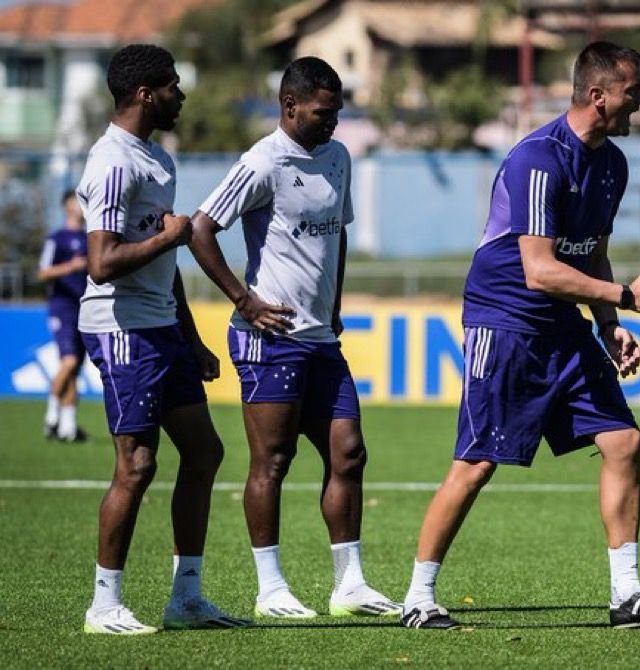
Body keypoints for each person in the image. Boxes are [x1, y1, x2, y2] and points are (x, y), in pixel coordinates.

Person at [399, 41, 640, 630]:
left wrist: (610, 326)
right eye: (635, 91)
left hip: (564, 326)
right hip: (505, 322)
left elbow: (593, 252)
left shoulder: (612, 162)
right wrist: (627, 299)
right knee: (478, 462)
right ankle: (417, 597)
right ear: (599, 95)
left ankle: (626, 596)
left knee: (623, 443)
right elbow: (540, 270)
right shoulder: (539, 158)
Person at [188, 56, 399, 620]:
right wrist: (244, 300)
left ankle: (349, 585)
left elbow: (339, 235)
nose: (332, 122)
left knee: (349, 453)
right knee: (272, 462)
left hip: (321, 339)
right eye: (322, 113)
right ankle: (270, 588)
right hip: (270, 337)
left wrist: (333, 306)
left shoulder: (338, 156)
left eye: (337, 112)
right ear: (290, 106)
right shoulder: (263, 162)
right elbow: (200, 228)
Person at [76, 44, 247, 634]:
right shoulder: (113, 163)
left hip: (160, 327)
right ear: (146, 94)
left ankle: (187, 598)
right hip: (121, 328)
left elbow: (164, 264)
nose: (181, 93)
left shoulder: (155, 159)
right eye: (173, 85)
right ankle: (104, 604)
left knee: (204, 452)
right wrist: (169, 238)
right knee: (137, 464)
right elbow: (101, 263)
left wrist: (190, 335)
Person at [38, 189, 89, 442]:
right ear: (66, 205)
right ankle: (52, 416)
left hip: (85, 310)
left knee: (75, 369)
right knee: (68, 361)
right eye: (77, 201)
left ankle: (67, 427)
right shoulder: (56, 238)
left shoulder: (91, 238)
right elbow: (43, 272)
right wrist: (71, 266)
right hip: (63, 308)